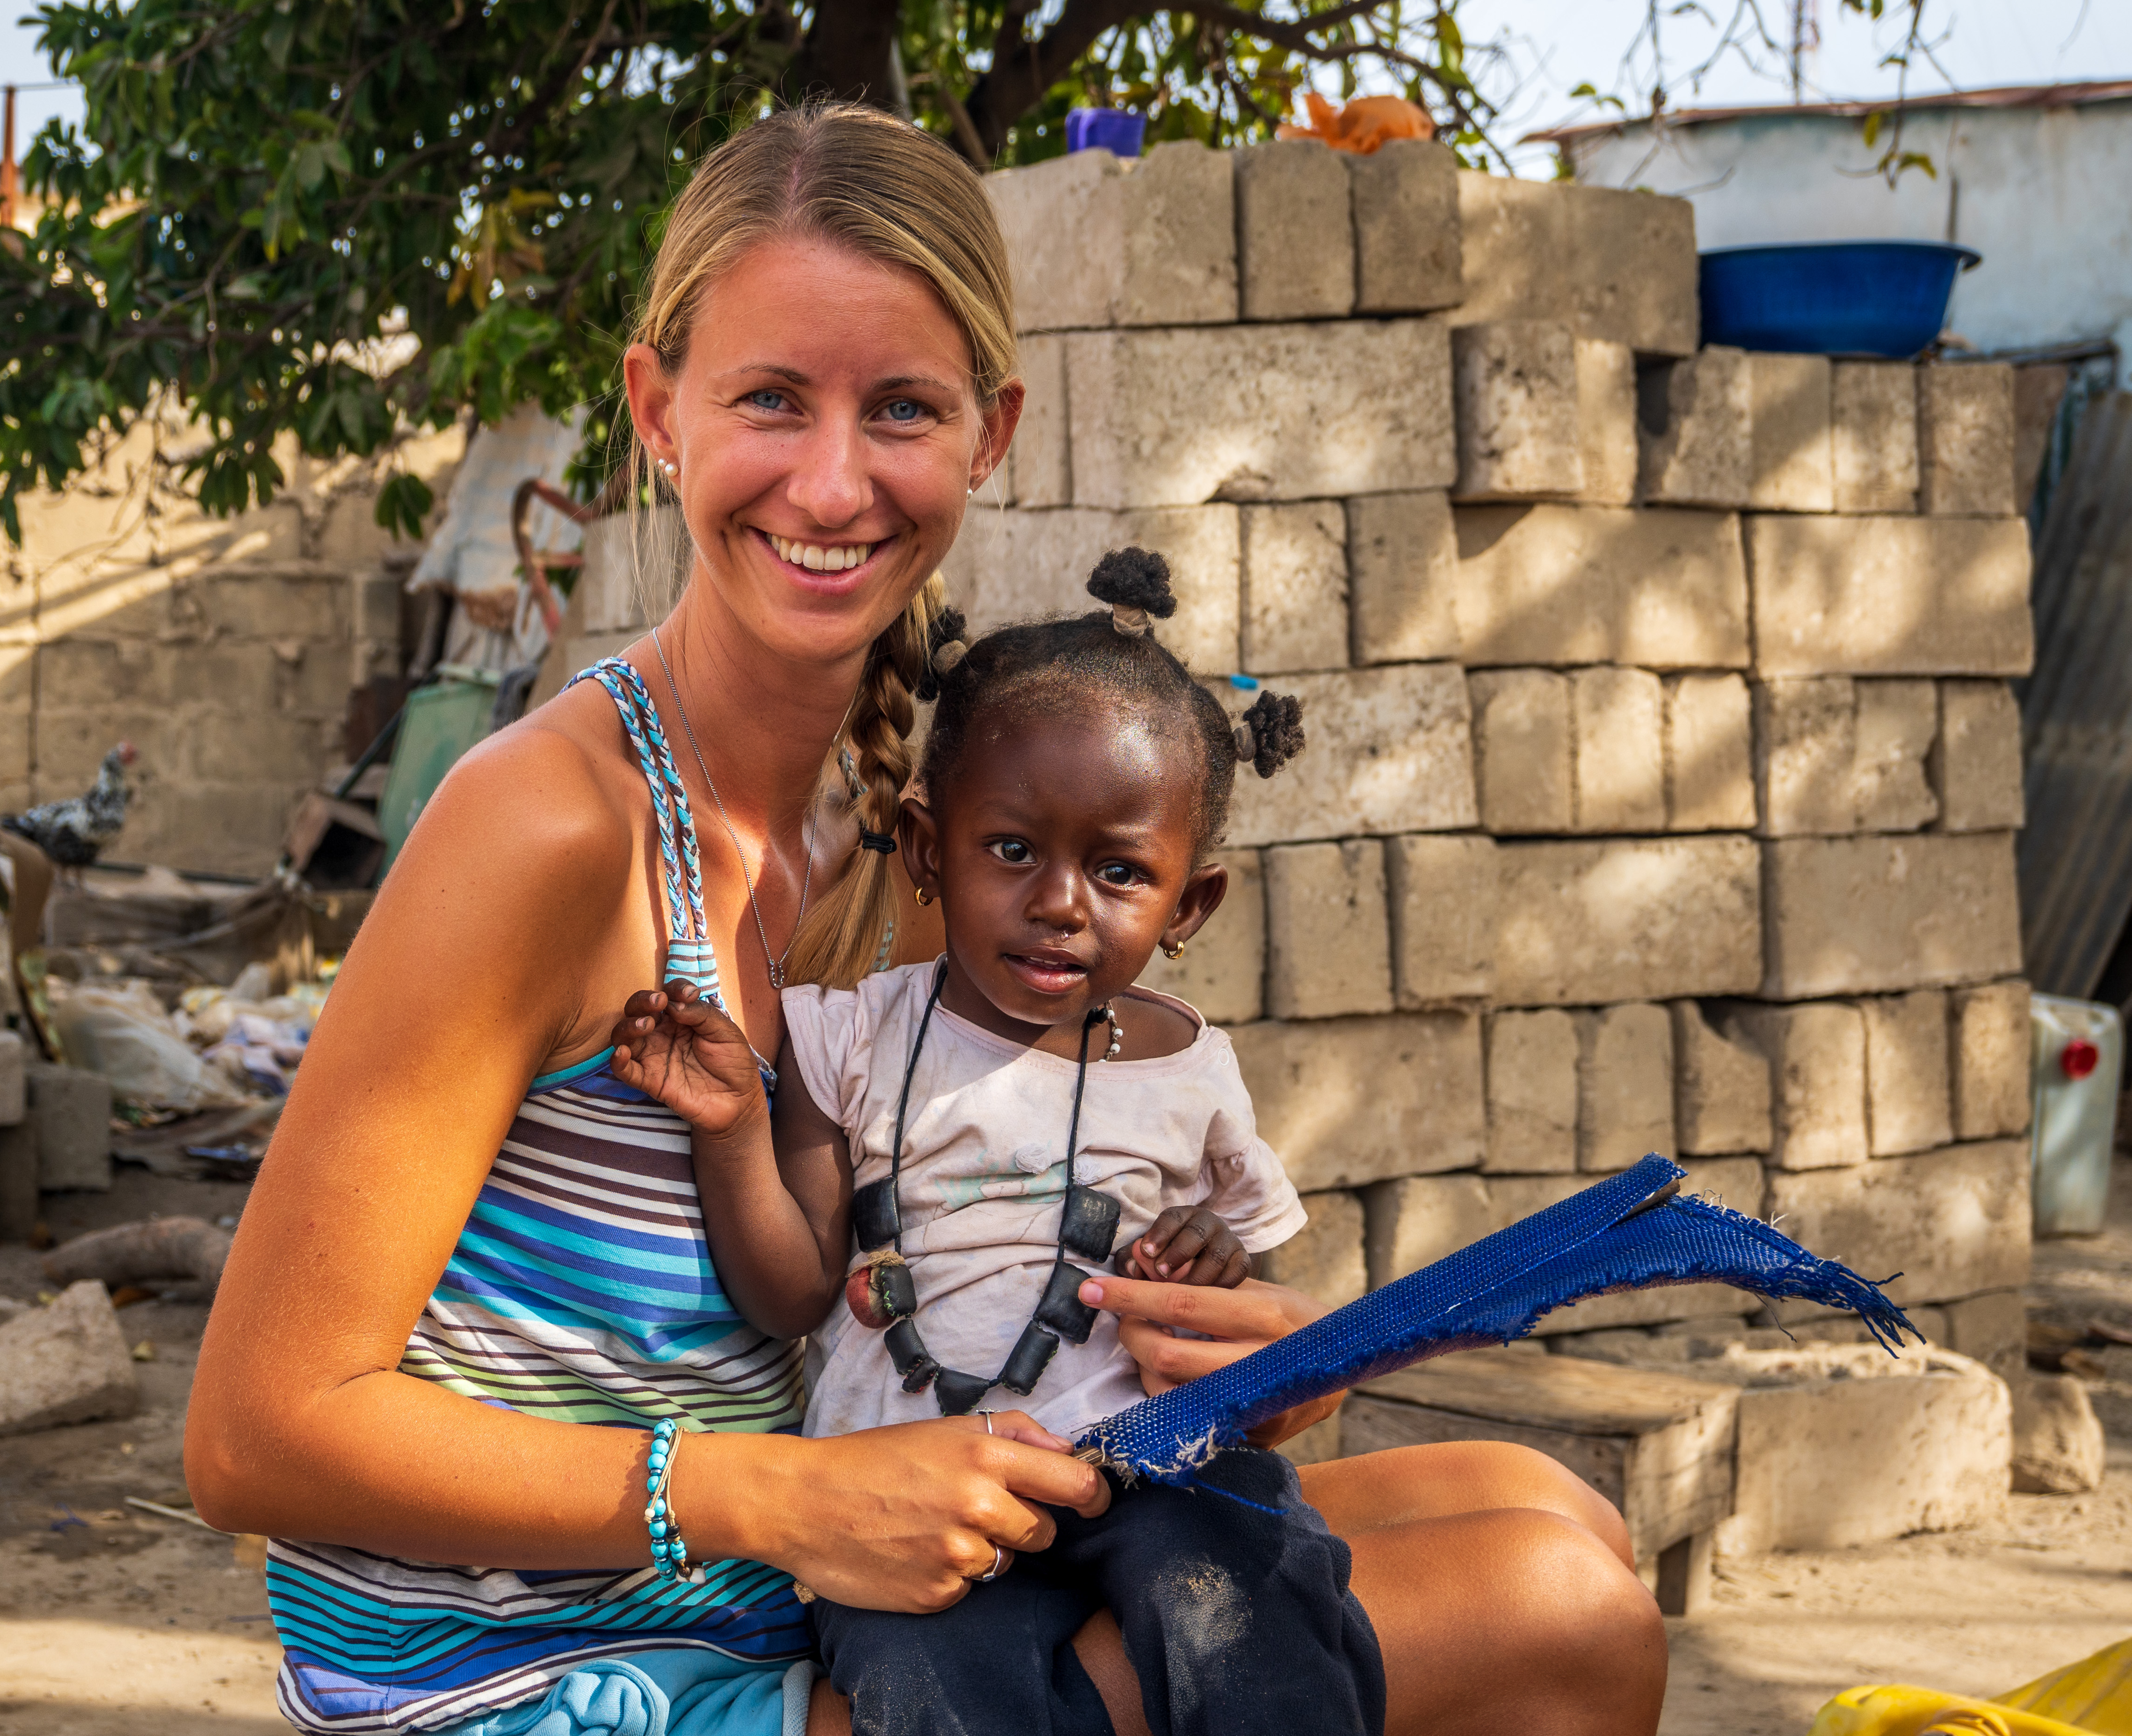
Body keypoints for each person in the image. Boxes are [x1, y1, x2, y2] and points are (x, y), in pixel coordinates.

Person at [186, 101, 1665, 1736]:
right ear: (657, 409)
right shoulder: (551, 828)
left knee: (1546, 1504)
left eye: (900, 407)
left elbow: (924, 1287)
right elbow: (254, 1438)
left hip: (798, 1585)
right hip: (543, 1677)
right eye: (769, 398)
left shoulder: (899, 845)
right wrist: (780, 1499)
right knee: (1558, 1616)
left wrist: (1215, 1361)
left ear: (989, 432)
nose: (832, 482)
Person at [605, 549, 1385, 1736]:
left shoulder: (1189, 1067)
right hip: (920, 1496)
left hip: (1152, 1466)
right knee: (933, 1686)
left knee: (1261, 1596)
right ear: (929, 846)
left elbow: (1242, 1296)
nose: (1061, 901)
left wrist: (1211, 1267)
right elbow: (793, 1290)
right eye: (1013, 849)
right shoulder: (850, 1038)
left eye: (1119, 870)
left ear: (1188, 905)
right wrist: (729, 1132)